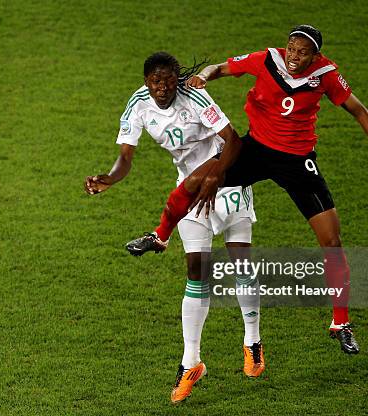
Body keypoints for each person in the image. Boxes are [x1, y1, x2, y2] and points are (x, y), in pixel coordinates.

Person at [125, 25, 368, 355]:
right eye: (292, 49)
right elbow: (222, 67)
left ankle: (341, 323)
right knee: (195, 181)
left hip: (297, 162)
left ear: (315, 55)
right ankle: (160, 236)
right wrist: (205, 76)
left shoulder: (326, 75)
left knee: (332, 241)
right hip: (257, 151)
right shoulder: (267, 60)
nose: (295, 57)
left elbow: (358, 109)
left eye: (303, 52)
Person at [85, 52, 263, 404]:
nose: (162, 87)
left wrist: (214, 176)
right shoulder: (138, 105)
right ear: (146, 81)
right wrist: (110, 178)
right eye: (155, 81)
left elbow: (234, 141)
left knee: (242, 264)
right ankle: (190, 362)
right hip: (189, 191)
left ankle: (252, 341)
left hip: (227, 179)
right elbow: (125, 157)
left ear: (177, 77)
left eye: (167, 80)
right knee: (197, 274)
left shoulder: (195, 95)